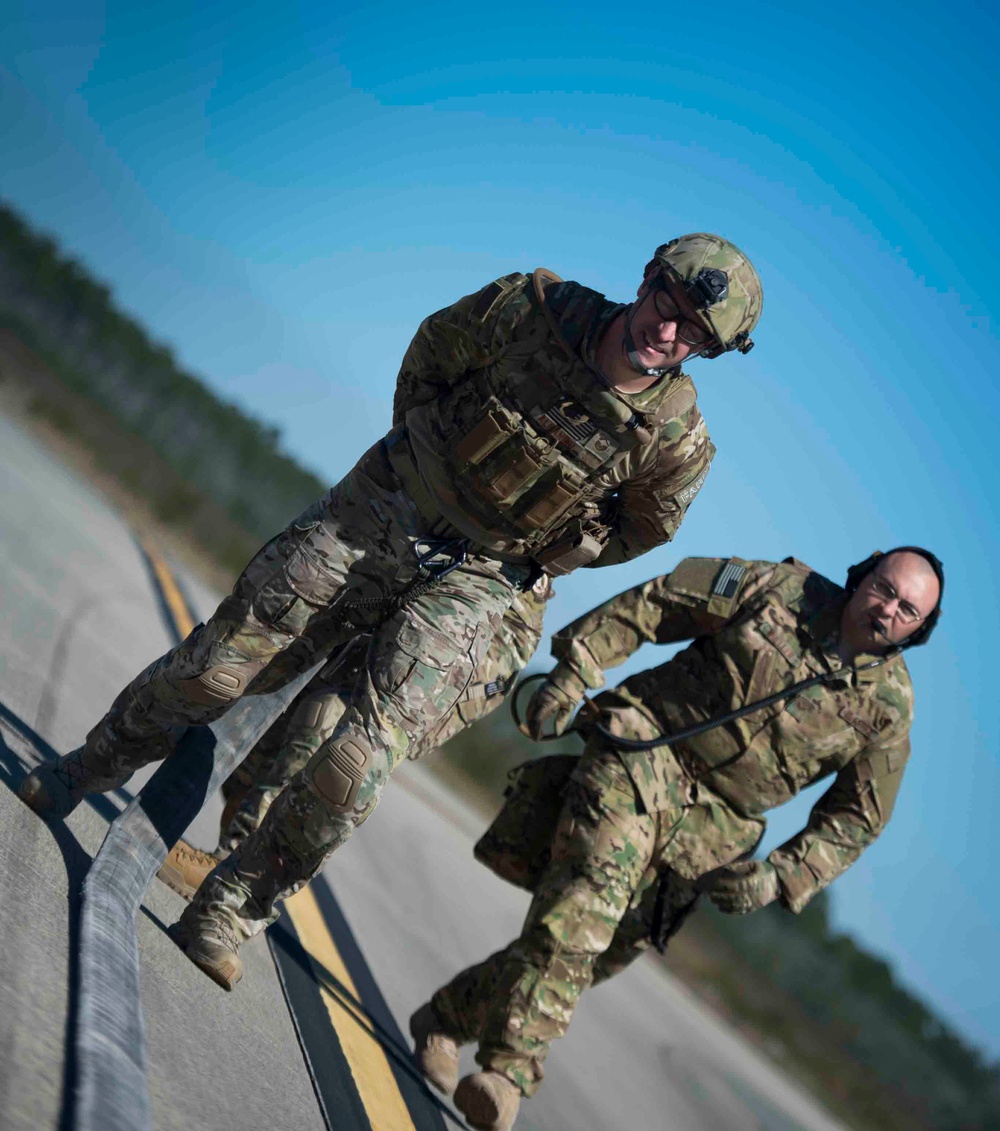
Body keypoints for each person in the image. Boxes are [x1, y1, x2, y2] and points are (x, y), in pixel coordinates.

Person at [20, 234, 762, 991]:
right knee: (220, 667)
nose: (667, 334)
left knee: (354, 761)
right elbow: (434, 354)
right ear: (648, 281)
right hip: (393, 500)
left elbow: (641, 529)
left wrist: (528, 546)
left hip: (483, 578)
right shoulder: (534, 308)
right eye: (669, 306)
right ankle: (89, 763)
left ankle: (231, 906)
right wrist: (422, 463)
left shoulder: (676, 445)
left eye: (694, 335)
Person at [410, 548, 942, 1131]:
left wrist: (781, 875)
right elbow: (655, 604)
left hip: (711, 835)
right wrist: (576, 669)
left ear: (917, 630)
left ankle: (448, 1017)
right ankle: (509, 1073)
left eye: (907, 610)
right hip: (644, 750)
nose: (888, 609)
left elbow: (858, 818)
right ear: (861, 576)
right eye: (884, 589)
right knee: (587, 904)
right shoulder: (776, 588)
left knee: (597, 954)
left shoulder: (890, 710)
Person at [158, 577, 554, 898]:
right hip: (403, 604)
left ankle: (229, 867)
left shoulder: (517, 600)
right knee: (267, 737)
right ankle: (248, 842)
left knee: (326, 729)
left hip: (453, 643)